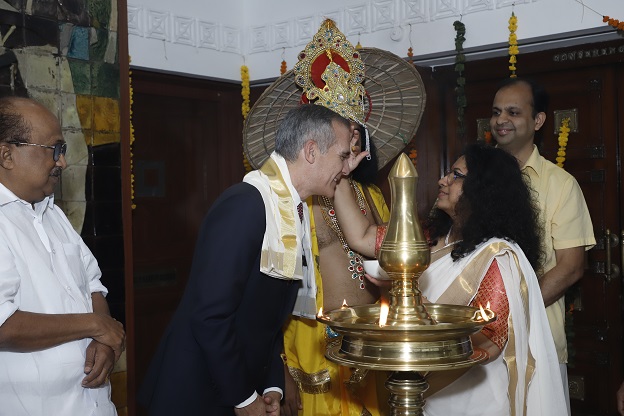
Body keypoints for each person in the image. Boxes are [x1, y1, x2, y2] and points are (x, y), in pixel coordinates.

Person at [138, 103, 366, 416]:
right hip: (198, 392)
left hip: (240, 385)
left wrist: (271, 384)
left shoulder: (292, 208)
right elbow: (210, 317)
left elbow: (266, 319)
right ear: (311, 151)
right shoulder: (245, 204)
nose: (345, 168)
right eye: (342, 156)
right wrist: (244, 398)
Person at [333, 144, 568, 415]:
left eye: (456, 175)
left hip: (468, 397)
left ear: (483, 189)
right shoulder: (428, 235)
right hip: (417, 391)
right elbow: (362, 236)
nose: (442, 180)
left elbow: (490, 340)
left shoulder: (497, 256)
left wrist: (405, 292)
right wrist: (340, 174)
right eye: (448, 173)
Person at [0, 96, 125, 415]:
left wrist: (104, 343)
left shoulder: (51, 213)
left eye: (63, 150)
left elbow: (93, 286)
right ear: (7, 154)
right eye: (53, 150)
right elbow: (4, 326)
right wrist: (95, 325)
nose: (62, 163)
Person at [490, 77, 595, 412]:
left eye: (513, 112)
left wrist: (512, 313)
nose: (500, 120)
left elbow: (571, 266)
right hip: (475, 341)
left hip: (538, 342)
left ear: (537, 121)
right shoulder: (473, 178)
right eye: (495, 112)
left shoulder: (561, 185)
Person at [281, 124, 390, 416]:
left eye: (355, 133)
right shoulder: (299, 200)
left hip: (369, 342)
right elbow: (274, 290)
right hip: (314, 343)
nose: (350, 140)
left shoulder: (372, 195)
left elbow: (391, 264)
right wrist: (279, 370)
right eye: (343, 132)